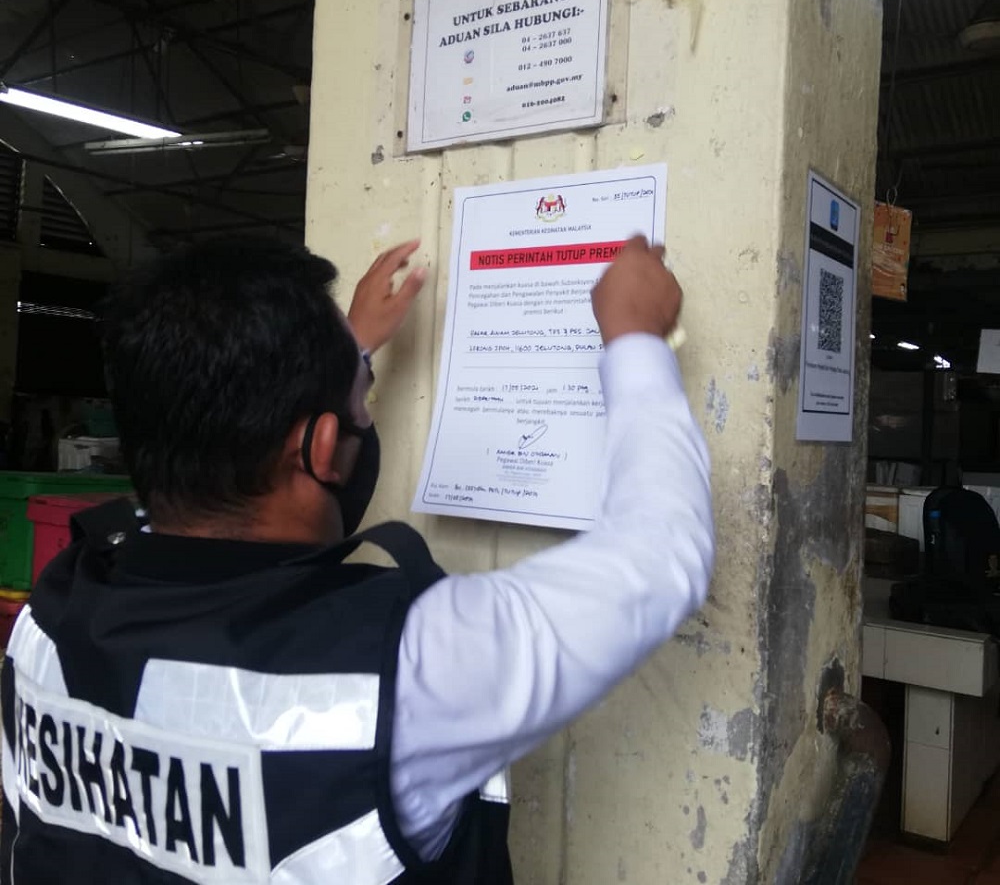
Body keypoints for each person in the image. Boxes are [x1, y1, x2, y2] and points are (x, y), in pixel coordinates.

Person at [0, 233, 713, 884]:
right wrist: (635, 339)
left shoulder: (50, 616)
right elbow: (660, 552)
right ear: (317, 447)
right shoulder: (412, 667)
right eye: (356, 414)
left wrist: (344, 355)